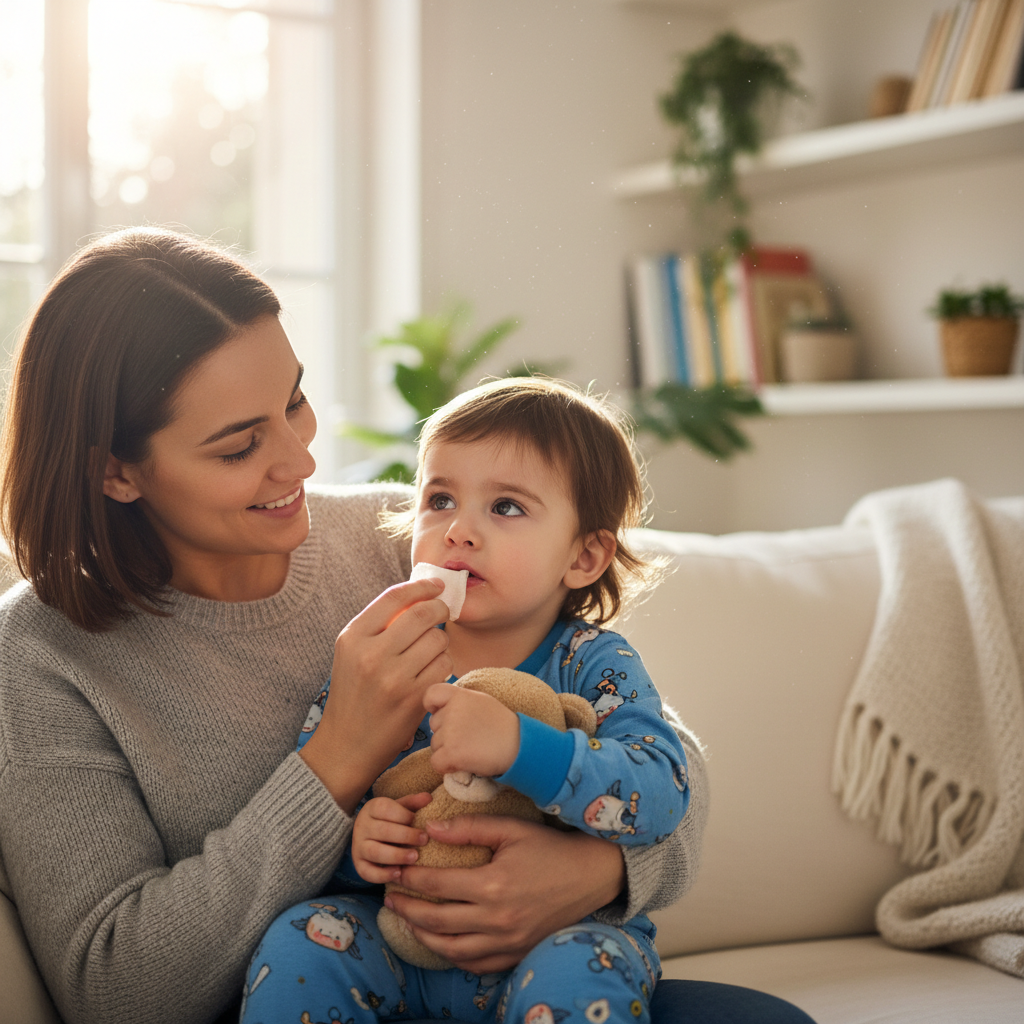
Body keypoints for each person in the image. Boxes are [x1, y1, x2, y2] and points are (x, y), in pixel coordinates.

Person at [0, 227, 812, 1024]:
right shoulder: (43, 654)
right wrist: (336, 762)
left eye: (294, 402)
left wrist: (592, 874)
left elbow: (668, 767)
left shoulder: (421, 536)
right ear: (116, 470)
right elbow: (113, 990)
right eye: (242, 446)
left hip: (541, 971)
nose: (301, 462)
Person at [240, 378, 689, 1024]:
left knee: (576, 976)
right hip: (399, 946)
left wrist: (521, 747)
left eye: (506, 507)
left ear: (585, 555)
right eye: (440, 499)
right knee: (303, 939)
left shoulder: (595, 663)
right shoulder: (386, 658)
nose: (459, 531)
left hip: (558, 942)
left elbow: (663, 790)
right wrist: (359, 845)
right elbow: (328, 791)